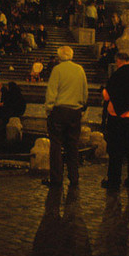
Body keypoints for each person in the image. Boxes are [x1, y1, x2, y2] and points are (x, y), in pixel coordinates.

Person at [42, 45, 88, 188]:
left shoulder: (57, 70)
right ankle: (74, 177)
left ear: (59, 56)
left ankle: (56, 178)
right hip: (75, 111)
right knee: (73, 146)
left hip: (59, 111)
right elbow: (85, 91)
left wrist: (48, 109)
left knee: (56, 145)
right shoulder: (80, 70)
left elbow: (52, 92)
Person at [101, 52, 129, 192]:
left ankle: (114, 181)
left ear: (118, 61)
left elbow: (107, 95)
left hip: (119, 117)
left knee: (116, 150)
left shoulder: (117, 75)